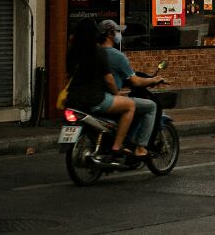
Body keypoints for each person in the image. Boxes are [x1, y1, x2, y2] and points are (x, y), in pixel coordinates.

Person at [65, 17, 135, 164]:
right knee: (130, 105)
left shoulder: (72, 53)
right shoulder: (98, 53)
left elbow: (69, 74)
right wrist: (117, 94)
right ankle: (117, 146)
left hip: (72, 99)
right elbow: (109, 80)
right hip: (94, 99)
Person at [97, 19, 163, 156]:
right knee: (150, 106)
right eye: (116, 31)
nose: (118, 34)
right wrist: (153, 80)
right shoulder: (117, 56)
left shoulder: (92, 52)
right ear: (110, 34)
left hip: (91, 96)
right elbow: (135, 82)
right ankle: (140, 147)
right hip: (104, 98)